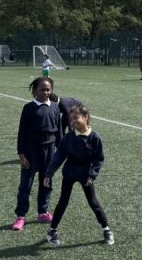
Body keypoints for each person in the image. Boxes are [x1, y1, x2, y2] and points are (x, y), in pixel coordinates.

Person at [43, 103, 113, 247]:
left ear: (86, 117)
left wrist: (92, 176)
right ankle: (52, 230)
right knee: (63, 202)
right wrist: (49, 174)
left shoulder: (94, 137)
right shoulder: (68, 137)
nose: (73, 121)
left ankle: (106, 230)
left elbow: (98, 159)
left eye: (76, 118)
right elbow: (58, 156)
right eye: (71, 119)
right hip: (69, 172)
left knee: (93, 202)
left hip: (86, 175)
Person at [12, 77, 61, 231]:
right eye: (42, 89)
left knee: (46, 183)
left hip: (49, 151)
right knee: (25, 185)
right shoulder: (28, 108)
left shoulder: (55, 107)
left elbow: (59, 132)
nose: (45, 92)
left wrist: (62, 151)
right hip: (31, 151)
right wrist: (21, 154)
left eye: (48, 90)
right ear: (35, 91)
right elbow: (22, 132)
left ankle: (43, 212)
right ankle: (21, 216)